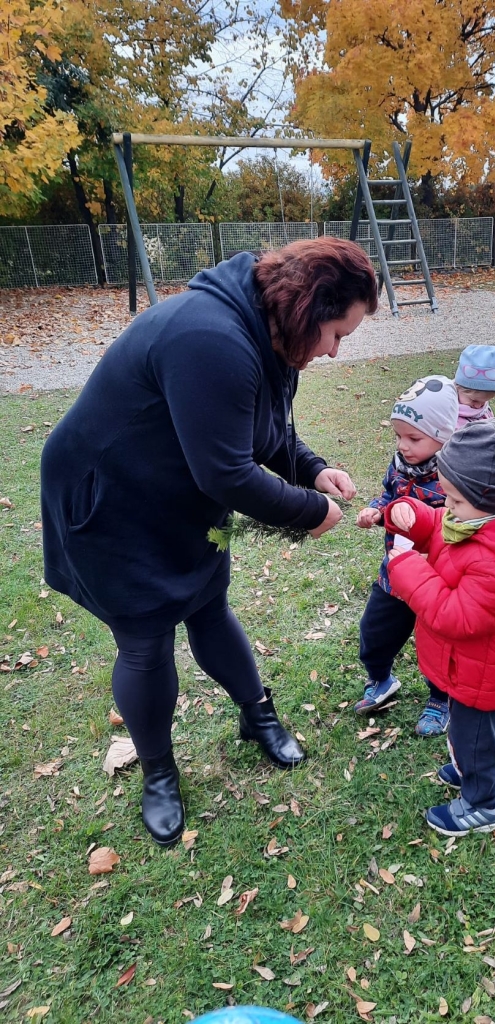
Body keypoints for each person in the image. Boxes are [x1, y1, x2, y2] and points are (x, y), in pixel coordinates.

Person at [40, 238, 378, 846]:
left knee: (208, 606)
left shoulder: (272, 331)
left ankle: (257, 715)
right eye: (336, 334)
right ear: (308, 308)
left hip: (177, 493)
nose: (333, 350)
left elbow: (255, 429)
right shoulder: (210, 338)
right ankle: (159, 772)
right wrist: (309, 512)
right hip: (112, 504)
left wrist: (310, 469)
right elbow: (226, 473)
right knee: (145, 642)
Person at [384, 421, 495, 836]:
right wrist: (413, 516)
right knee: (479, 733)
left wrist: (407, 568)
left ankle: (483, 803)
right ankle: (493, 771)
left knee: (471, 736)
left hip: (481, 671)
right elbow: (440, 528)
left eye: (453, 499)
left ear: (484, 500)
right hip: (470, 666)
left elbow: (456, 615)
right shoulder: (474, 521)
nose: (446, 507)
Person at [354, 375, 458, 736]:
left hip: (436, 581)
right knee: (374, 631)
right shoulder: (399, 465)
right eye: (398, 436)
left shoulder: (454, 477)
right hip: (395, 574)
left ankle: (441, 698)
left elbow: (462, 524)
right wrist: (376, 510)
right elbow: (388, 494)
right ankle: (380, 678)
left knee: (438, 645)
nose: (403, 445)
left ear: (444, 436)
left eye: (414, 438)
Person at [453, 344, 495, 428]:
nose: (478, 406)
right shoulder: (448, 414)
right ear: (458, 388)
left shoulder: (484, 411)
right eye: (474, 400)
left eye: (484, 401)